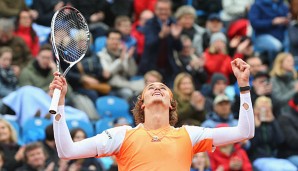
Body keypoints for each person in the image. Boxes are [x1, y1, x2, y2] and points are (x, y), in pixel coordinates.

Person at [49, 58, 254, 170]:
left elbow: (244, 131)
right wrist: (60, 105)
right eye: (151, 88)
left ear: (172, 105)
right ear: (142, 104)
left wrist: (244, 87)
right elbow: (67, 151)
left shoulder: (189, 135)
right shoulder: (122, 136)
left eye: (163, 88)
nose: (157, 89)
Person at [248, 96, 297, 171]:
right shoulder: (250, 124)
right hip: (258, 158)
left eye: (266, 109)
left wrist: (273, 122)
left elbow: (280, 141)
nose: (263, 111)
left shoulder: (271, 123)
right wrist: (256, 127)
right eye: (261, 108)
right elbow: (251, 146)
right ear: (255, 109)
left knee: (292, 168)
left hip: (274, 158)